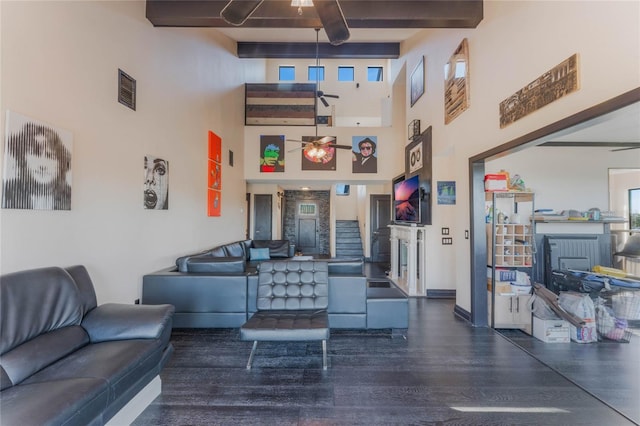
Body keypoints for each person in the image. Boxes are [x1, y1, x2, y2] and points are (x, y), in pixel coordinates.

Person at [2, 122, 71, 210]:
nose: (42, 165)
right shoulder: (8, 192)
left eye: (50, 156)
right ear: (22, 158)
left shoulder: (68, 196)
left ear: (60, 163)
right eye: (35, 154)